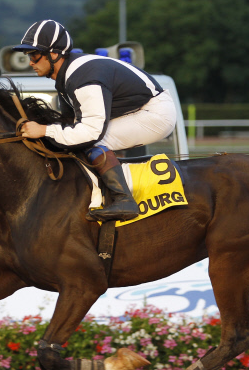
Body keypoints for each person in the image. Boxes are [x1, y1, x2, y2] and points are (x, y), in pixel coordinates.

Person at [12, 19, 177, 222]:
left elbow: (90, 132)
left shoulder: (83, 78)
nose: (31, 62)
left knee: (91, 141)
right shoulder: (67, 76)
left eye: (35, 55)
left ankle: (124, 199)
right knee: (70, 139)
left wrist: (45, 130)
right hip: (141, 109)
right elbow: (68, 125)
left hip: (155, 114)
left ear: (53, 53)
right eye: (28, 55)